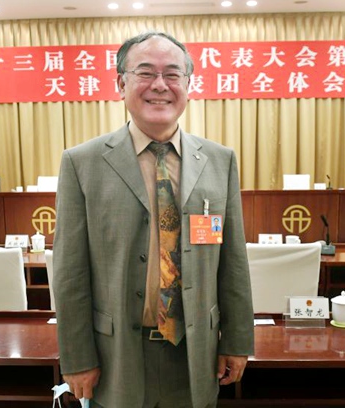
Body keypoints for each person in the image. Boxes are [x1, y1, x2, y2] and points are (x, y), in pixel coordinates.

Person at [52, 31, 254, 408]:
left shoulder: (219, 161)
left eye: (173, 74)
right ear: (121, 83)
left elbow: (234, 263)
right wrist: (77, 358)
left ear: (188, 84)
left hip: (196, 355)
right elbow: (70, 272)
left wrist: (237, 340)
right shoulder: (82, 163)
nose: (160, 85)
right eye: (145, 73)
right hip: (116, 357)